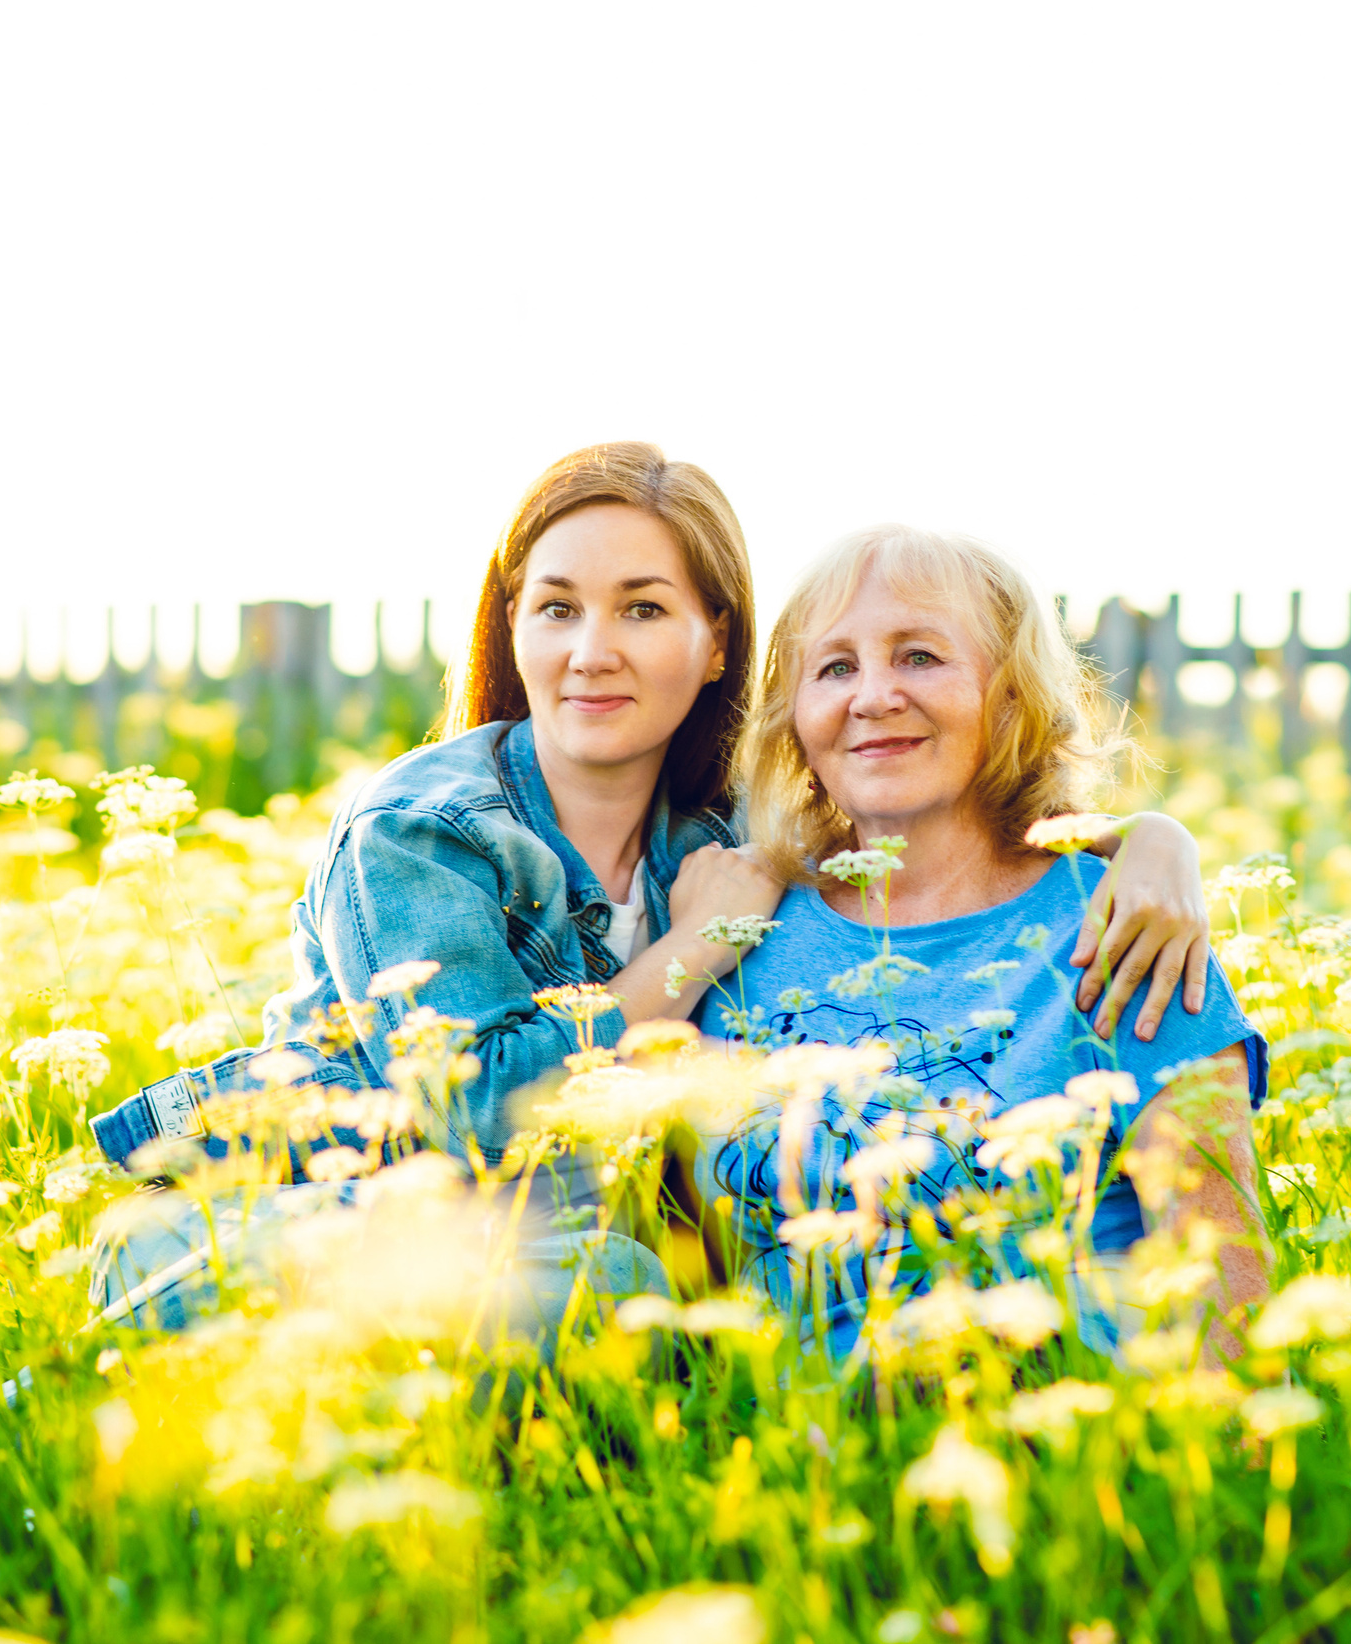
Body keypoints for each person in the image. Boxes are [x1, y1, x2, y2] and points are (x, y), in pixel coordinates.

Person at [85, 444, 1216, 1330]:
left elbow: (918, 820)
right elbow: (472, 1111)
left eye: (641, 607)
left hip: (527, 1253)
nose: (593, 649)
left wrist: (1150, 839)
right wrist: (693, 946)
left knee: (633, 1294)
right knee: (616, 1288)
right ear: (512, 626)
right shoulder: (418, 831)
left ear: (716, 641)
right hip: (290, 1215)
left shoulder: (721, 826)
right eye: (557, 607)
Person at [694, 523, 1270, 1359]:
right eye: (836, 667)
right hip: (794, 1434)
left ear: (1011, 696)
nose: (874, 695)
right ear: (794, 719)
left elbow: (1223, 1289)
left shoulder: (1122, 920)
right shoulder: (740, 929)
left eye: (920, 656)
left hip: (1061, 1417)